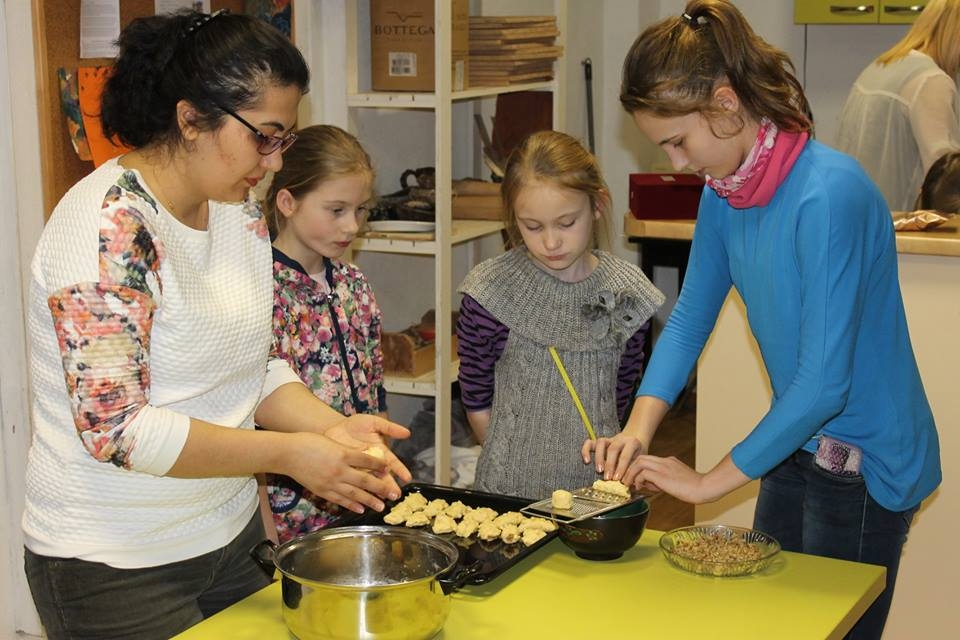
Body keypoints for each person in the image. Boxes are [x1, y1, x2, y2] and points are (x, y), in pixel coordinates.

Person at [22, 10, 411, 640]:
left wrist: (333, 431)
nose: (276, 159)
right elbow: (119, 431)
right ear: (190, 118)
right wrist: (291, 453)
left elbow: (252, 363)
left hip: (228, 539)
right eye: (266, 135)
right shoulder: (109, 231)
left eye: (284, 138)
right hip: (114, 564)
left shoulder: (238, 211)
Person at [587, 2, 941, 638]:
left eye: (677, 141)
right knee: (767, 624)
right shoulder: (727, 191)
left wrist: (706, 484)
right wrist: (638, 431)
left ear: (725, 105)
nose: (677, 159)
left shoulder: (829, 194)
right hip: (794, 442)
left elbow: (826, 383)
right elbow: (692, 317)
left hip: (865, 465)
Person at [456, 130, 665, 500]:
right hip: (506, 493)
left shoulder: (627, 294)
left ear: (597, 205)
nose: (550, 243)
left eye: (566, 223)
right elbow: (476, 395)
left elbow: (623, 392)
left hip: (597, 495)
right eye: (532, 227)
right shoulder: (489, 292)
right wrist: (509, 460)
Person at [262, 125, 389, 543]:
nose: (351, 226)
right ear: (288, 202)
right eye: (336, 210)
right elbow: (253, 418)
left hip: (360, 498)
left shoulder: (354, 283)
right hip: (292, 510)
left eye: (360, 210)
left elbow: (374, 391)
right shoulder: (261, 290)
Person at [835, 0, 960, 213]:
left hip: (855, 216)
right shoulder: (931, 81)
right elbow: (947, 182)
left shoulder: (881, 66)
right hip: (899, 227)